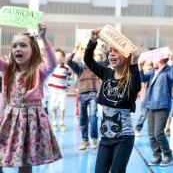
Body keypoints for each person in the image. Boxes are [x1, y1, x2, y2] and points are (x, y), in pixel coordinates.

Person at [0, 23, 62, 173]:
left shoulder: (39, 70)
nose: (17, 49)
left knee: (25, 161)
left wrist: (43, 39)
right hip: (10, 118)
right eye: (14, 46)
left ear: (33, 50)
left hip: (30, 121)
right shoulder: (9, 69)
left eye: (23, 45)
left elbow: (53, 63)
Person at [83, 29, 141, 173]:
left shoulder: (130, 77)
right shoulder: (107, 73)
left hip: (124, 138)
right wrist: (92, 42)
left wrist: (134, 63)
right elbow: (88, 61)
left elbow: (136, 88)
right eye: (110, 51)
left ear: (126, 56)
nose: (112, 54)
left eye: (116, 51)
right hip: (105, 138)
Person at [140, 52, 173, 166]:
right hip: (150, 105)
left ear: (160, 60)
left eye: (154, 60)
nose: (152, 62)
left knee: (158, 133)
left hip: (162, 105)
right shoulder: (152, 71)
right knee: (151, 134)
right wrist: (140, 67)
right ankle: (157, 156)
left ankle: (168, 155)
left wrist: (171, 61)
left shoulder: (169, 70)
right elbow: (143, 78)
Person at [66, 45, 102, 150]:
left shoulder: (97, 67)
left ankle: (94, 138)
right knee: (82, 118)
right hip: (82, 94)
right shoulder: (80, 68)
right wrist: (75, 50)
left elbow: (106, 61)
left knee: (93, 117)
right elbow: (68, 61)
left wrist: (102, 49)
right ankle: (85, 140)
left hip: (93, 95)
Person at [48, 48, 73, 132]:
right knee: (53, 106)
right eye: (55, 56)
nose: (57, 57)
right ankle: (54, 123)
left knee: (62, 107)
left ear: (63, 57)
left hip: (62, 91)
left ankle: (62, 122)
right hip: (53, 90)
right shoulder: (51, 66)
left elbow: (70, 78)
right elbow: (47, 77)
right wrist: (49, 87)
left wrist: (67, 86)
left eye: (59, 56)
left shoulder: (66, 68)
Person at [134, 60, 153, 137]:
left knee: (152, 116)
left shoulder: (153, 73)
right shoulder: (143, 74)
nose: (149, 67)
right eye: (147, 65)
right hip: (145, 98)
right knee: (143, 115)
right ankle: (137, 128)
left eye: (150, 65)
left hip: (153, 98)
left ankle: (153, 131)